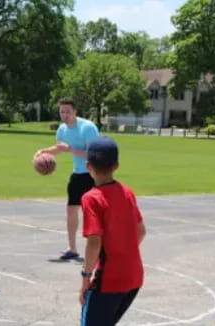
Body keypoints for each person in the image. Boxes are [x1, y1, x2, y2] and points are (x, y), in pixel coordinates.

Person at [79, 136, 146, 326]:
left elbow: (94, 241)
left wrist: (86, 276)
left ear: (88, 165)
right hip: (133, 276)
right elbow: (140, 231)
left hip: (109, 280)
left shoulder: (91, 198)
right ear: (116, 166)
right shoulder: (127, 193)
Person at [35, 97, 99, 260]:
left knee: (92, 213)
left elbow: (94, 155)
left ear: (75, 112)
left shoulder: (88, 128)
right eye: (62, 112)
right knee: (71, 209)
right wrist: (43, 153)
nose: (64, 115)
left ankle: (100, 247)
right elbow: (59, 149)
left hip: (94, 174)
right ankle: (72, 248)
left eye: (68, 112)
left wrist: (70, 149)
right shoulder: (62, 130)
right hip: (78, 173)